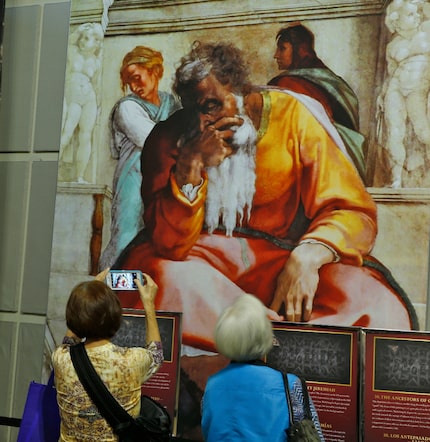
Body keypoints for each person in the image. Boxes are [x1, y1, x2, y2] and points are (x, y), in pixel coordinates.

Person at [115, 40, 417, 355]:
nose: (202, 122)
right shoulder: (170, 138)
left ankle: (262, 343)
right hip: (199, 267)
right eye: (193, 110)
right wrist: (190, 167)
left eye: (211, 105)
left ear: (241, 91)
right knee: (160, 277)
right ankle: (277, 348)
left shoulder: (293, 117)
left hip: (280, 262)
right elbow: (169, 244)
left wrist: (308, 257)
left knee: (373, 297)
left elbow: (351, 210)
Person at [52, 269, 163, 441]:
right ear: (116, 316)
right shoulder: (132, 360)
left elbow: (70, 339)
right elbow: (156, 354)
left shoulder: (61, 359)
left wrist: (86, 303)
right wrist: (149, 304)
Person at [201, 294, 324, 441]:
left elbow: (208, 430)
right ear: (264, 335)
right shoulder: (290, 385)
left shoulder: (212, 385)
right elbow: (313, 435)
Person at [100, 46, 181, 269]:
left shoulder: (172, 103)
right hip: (134, 180)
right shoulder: (127, 108)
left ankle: (142, 292)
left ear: (154, 71)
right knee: (126, 237)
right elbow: (154, 141)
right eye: (129, 82)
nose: (134, 87)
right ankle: (115, 291)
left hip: (165, 180)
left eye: (137, 78)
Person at [268, 23, 366, 182]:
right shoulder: (333, 80)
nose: (276, 55)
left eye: (282, 48)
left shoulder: (287, 83)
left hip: (321, 162)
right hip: (342, 161)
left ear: (299, 49)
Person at [376, 0, 430, 188]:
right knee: (395, 132)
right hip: (396, 86)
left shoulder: (427, 32)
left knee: (424, 132)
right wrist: (382, 95)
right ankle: (396, 179)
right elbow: (391, 72)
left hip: (418, 85)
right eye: (410, 14)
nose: (416, 16)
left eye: (416, 13)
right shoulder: (393, 45)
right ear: (396, 21)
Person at [60, 22, 103, 183]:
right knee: (67, 132)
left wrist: (97, 105)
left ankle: (80, 175)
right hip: (74, 94)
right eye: (82, 38)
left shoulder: (96, 61)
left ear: (96, 42)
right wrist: (79, 30)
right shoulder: (73, 52)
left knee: (86, 136)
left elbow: (97, 85)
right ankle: (55, 168)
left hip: (88, 96)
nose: (83, 41)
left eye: (87, 39)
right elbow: (69, 41)